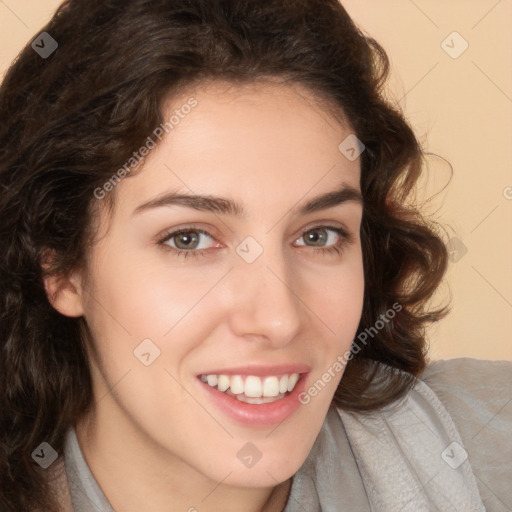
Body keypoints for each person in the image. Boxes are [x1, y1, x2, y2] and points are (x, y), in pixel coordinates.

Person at [0, 1, 510, 511]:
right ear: (62, 268)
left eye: (318, 236)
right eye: (189, 239)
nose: (279, 318)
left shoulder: (484, 443)